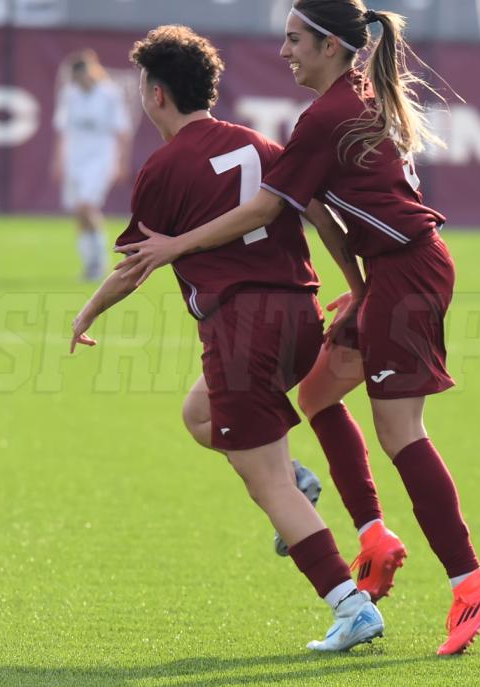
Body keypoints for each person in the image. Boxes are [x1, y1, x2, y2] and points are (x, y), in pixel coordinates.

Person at [114, 1, 480, 656]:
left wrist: (175, 244)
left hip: (408, 273)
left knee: (401, 431)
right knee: (319, 394)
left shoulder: (324, 118)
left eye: (295, 39)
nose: (284, 51)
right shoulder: (352, 100)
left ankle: (470, 579)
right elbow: (326, 210)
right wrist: (361, 288)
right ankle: (374, 536)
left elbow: (266, 208)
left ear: (330, 47)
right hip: (393, 272)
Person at [70, 25, 383, 651]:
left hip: (243, 327)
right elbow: (321, 215)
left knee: (263, 481)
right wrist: (358, 286)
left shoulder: (163, 169)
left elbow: (136, 265)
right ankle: (295, 478)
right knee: (198, 414)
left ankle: (350, 605)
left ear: (157, 95)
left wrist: (89, 311)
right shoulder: (260, 144)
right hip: (300, 316)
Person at [52, 49, 132, 281]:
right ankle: (89, 263)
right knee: (79, 211)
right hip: (75, 157)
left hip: (100, 157)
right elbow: (63, 129)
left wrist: (121, 162)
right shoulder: (70, 94)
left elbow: (123, 130)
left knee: (88, 205)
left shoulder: (109, 94)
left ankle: (99, 260)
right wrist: (58, 160)